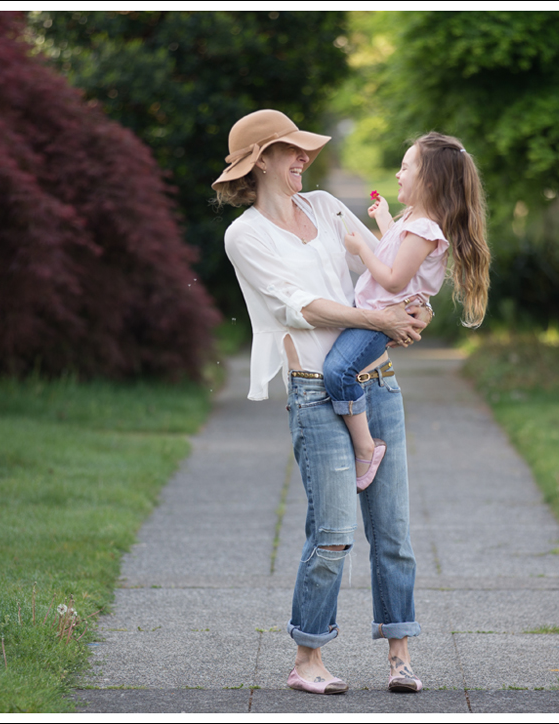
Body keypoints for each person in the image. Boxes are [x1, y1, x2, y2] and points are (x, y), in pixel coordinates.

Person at [213, 109, 431, 695]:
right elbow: (298, 305)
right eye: (293, 151)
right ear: (261, 160)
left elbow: (388, 270)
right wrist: (375, 318)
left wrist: (412, 305)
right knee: (332, 531)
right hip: (314, 391)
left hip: (377, 383)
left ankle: (400, 656)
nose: (305, 158)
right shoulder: (245, 235)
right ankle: (308, 660)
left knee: (394, 531)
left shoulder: (328, 207)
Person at [324, 133, 490, 491]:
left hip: (378, 319)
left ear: (430, 180)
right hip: (373, 312)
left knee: (337, 371)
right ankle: (363, 441)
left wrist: (358, 248)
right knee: (340, 369)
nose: (398, 174)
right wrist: (385, 219)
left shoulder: (425, 229)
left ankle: (366, 447)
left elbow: (395, 280)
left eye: (405, 167)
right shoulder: (414, 223)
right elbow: (395, 249)